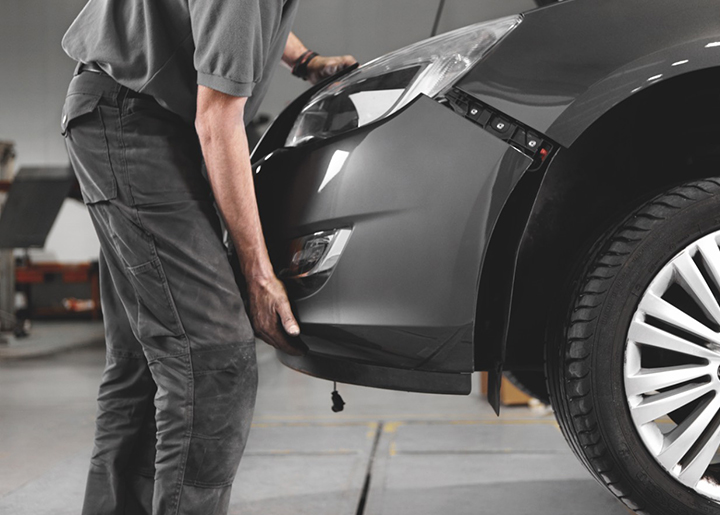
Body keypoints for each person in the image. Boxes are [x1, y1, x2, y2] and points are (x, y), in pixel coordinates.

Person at [60, 1, 356, 513]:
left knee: (141, 365)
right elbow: (218, 119)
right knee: (214, 359)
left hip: (117, 113)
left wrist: (304, 60)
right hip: (136, 126)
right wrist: (258, 274)